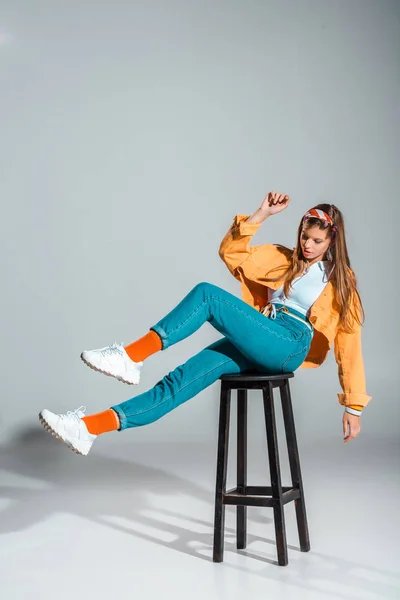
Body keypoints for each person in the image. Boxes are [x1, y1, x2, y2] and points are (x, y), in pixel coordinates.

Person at [39, 191, 371, 455]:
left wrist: (353, 407)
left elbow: (349, 345)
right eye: (304, 236)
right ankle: (87, 429)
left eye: (316, 240)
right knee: (178, 380)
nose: (307, 245)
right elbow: (232, 254)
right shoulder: (284, 259)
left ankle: (130, 357)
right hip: (261, 331)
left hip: (288, 343)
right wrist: (261, 216)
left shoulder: (339, 280)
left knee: (208, 296)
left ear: (332, 242)